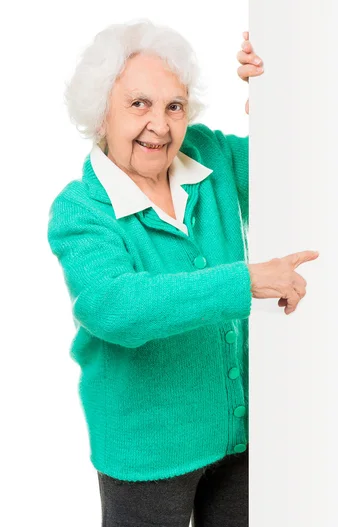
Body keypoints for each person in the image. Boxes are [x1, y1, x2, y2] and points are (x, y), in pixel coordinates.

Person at [46, 19, 319, 527]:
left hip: (236, 439)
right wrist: (246, 280)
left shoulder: (209, 155)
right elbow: (116, 307)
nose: (161, 124)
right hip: (147, 455)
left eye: (174, 106)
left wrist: (278, 90)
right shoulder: (82, 209)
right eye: (138, 104)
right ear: (100, 114)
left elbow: (299, 166)